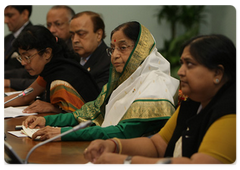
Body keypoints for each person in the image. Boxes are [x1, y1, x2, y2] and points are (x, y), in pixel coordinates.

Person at [83, 34, 237, 165]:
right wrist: (114, 145)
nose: (181, 72)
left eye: (190, 64)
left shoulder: (232, 111)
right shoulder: (193, 102)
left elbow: (197, 166)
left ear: (217, 73)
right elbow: (158, 144)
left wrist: (126, 162)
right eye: (182, 64)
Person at [22, 21, 179, 141]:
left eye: (122, 48)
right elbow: (85, 115)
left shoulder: (155, 84)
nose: (115, 55)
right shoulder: (121, 83)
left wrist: (64, 133)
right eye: (112, 49)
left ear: (141, 49)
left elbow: (122, 132)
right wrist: (45, 120)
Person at [2, 25, 100, 114]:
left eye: (27, 57)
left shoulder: (62, 78)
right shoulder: (50, 69)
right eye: (21, 58)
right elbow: (26, 96)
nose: (23, 63)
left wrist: (54, 108)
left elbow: (78, 116)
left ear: (47, 53)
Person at [2, 4, 76, 91]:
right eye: (48, 25)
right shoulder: (6, 39)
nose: (52, 30)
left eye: (58, 24)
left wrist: (10, 82)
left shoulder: (74, 50)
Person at [69, 11, 111, 90]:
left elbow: (96, 98)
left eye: (81, 34)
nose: (75, 40)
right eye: (72, 35)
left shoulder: (109, 62)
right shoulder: (70, 58)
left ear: (98, 35)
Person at [2, 3, 33, 71]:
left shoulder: (34, 37)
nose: (5, 21)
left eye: (10, 16)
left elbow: (29, 71)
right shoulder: (5, 40)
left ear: (24, 14)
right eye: (5, 16)